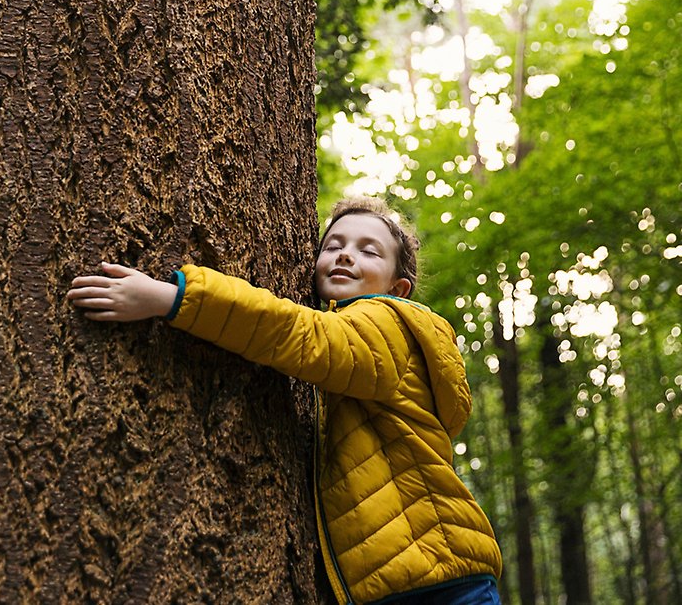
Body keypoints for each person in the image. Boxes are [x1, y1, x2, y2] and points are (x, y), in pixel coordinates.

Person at [66, 196, 503, 604]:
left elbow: (299, 334)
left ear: (399, 287)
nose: (346, 254)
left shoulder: (389, 323)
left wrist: (172, 297)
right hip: (415, 576)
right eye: (334, 245)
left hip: (437, 579)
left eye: (369, 251)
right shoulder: (364, 347)